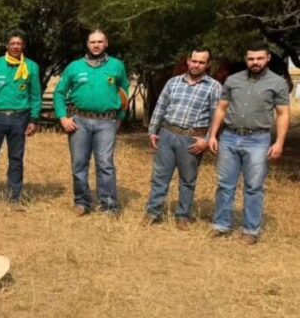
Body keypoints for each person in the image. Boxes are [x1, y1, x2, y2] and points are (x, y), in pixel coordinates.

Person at [208, 43, 291, 244]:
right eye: (251, 58)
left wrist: (279, 143)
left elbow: (283, 114)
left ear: (268, 58)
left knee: (254, 186)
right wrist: (212, 135)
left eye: (259, 58)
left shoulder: (278, 83)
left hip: (258, 140)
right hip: (229, 137)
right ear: (246, 59)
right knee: (225, 184)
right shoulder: (233, 80)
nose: (255, 62)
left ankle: (250, 230)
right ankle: (221, 225)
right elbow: (221, 108)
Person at [53, 30, 131, 215]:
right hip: (79, 121)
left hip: (107, 122)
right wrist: (63, 117)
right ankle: (82, 202)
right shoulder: (74, 67)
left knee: (105, 163)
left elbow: (124, 93)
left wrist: (119, 118)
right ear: (87, 44)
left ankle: (109, 205)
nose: (96, 45)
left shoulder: (117, 66)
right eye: (92, 42)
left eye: (100, 41)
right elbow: (59, 93)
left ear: (106, 43)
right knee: (79, 163)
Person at [142, 49, 221, 229]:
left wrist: (207, 139)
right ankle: (152, 212)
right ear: (188, 61)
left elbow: (217, 115)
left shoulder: (214, 86)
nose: (196, 65)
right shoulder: (174, 82)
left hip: (191, 139)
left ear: (208, 64)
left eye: (201, 62)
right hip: (167, 134)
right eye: (194, 61)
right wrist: (153, 130)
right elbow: (161, 106)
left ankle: (182, 215)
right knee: (160, 177)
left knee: (187, 180)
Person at [0, 31, 42, 207]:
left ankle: (14, 196)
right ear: (7, 45)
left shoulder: (32, 67)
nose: (15, 46)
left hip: (19, 118)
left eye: (19, 43)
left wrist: (34, 119)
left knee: (16, 159)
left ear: (23, 46)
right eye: (12, 43)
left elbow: (35, 96)